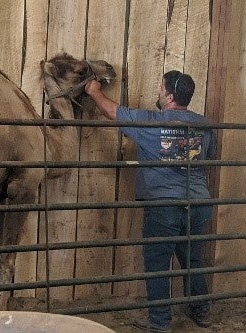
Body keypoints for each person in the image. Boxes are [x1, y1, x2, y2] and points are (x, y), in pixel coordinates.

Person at [85, 71, 215, 332]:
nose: (158, 92)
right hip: (199, 202)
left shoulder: (150, 121)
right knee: (193, 259)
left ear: (169, 95)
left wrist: (93, 91)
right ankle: (201, 311)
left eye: (160, 88)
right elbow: (209, 159)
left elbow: (113, 111)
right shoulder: (205, 125)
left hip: (164, 204)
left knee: (158, 263)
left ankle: (159, 322)